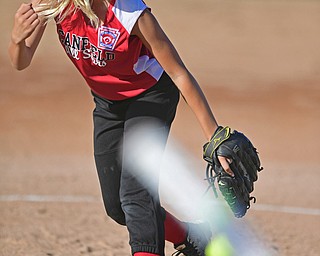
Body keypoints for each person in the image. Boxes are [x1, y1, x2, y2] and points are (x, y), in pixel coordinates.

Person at [9, 0, 234, 255]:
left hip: (150, 96)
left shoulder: (130, 12)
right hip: (108, 104)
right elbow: (21, 60)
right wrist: (17, 39)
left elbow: (179, 73)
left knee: (136, 194)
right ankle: (194, 237)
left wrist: (215, 135)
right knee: (117, 207)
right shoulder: (54, 3)